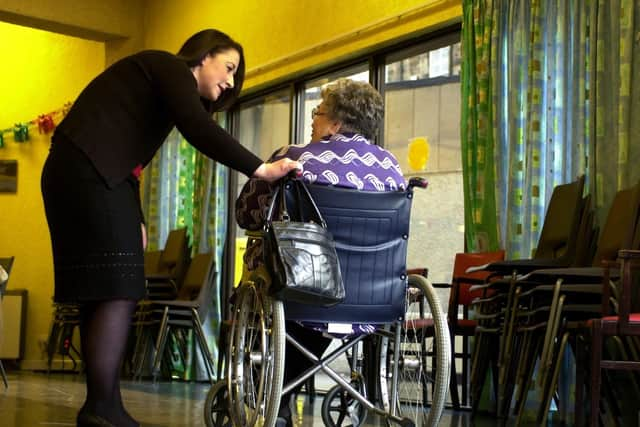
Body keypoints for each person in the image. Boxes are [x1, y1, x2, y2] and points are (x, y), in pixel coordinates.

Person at [41, 29, 300, 427]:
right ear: (204, 54)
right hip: (87, 172)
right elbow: (199, 129)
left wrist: (138, 218)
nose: (230, 81)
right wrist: (261, 169)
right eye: (229, 67)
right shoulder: (169, 68)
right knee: (119, 287)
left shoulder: (156, 85)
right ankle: (102, 407)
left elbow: (130, 159)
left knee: (103, 288)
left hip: (82, 172)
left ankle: (102, 406)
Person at [235, 78, 406, 427]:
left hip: (305, 287)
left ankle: (272, 386)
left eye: (318, 112)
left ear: (336, 123)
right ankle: (285, 387)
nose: (312, 120)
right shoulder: (392, 169)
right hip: (373, 297)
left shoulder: (296, 156)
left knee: (271, 261)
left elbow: (246, 213)